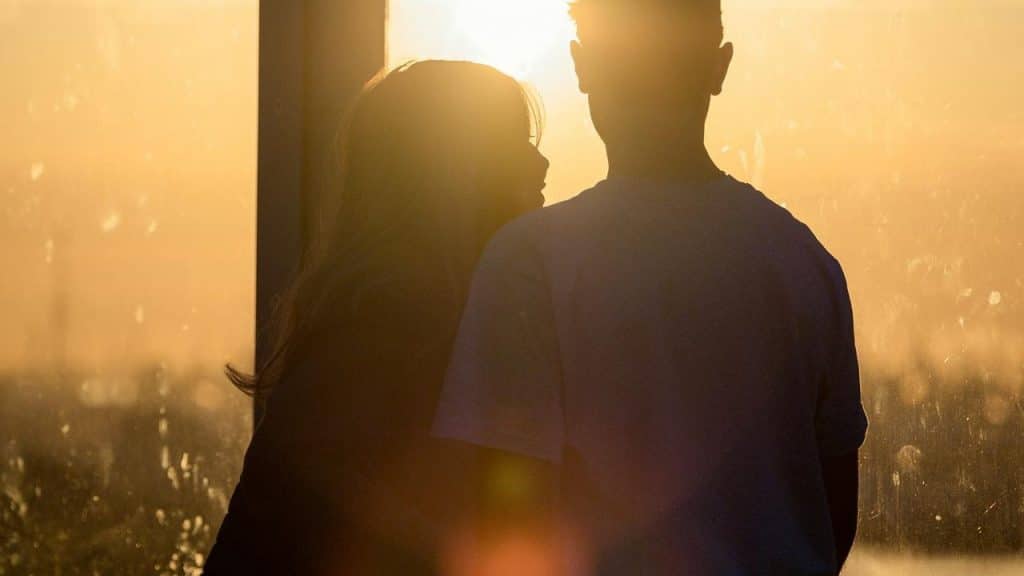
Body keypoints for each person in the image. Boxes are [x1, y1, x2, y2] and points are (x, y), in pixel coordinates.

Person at [432, 1, 869, 574]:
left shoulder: (531, 263)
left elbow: (506, 514)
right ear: (719, 68)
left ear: (582, 65)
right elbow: (833, 511)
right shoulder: (805, 266)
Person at [204, 60, 549, 575]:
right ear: (449, 175)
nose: (541, 164)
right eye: (512, 142)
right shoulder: (391, 350)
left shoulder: (384, 335)